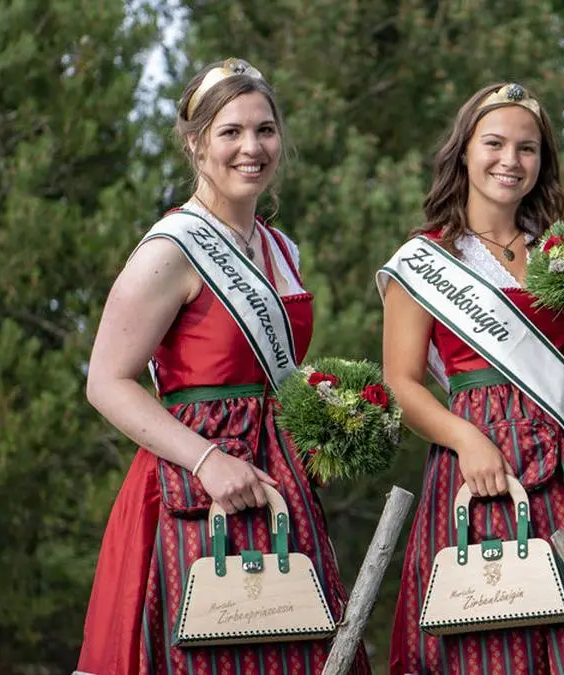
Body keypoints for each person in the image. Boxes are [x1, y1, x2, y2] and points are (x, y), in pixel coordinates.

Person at [76, 58, 368, 675]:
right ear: (195, 143)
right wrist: (208, 460)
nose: (251, 148)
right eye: (230, 132)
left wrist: (336, 418)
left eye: (265, 130)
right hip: (196, 485)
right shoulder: (170, 250)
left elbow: (274, 377)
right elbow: (106, 382)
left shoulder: (279, 247)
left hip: (277, 481)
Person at [377, 82, 564, 674]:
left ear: (542, 163)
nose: (511, 161)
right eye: (495, 144)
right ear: (464, 151)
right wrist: (467, 441)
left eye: (527, 149)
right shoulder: (424, 260)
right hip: (476, 468)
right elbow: (402, 384)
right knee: (485, 640)